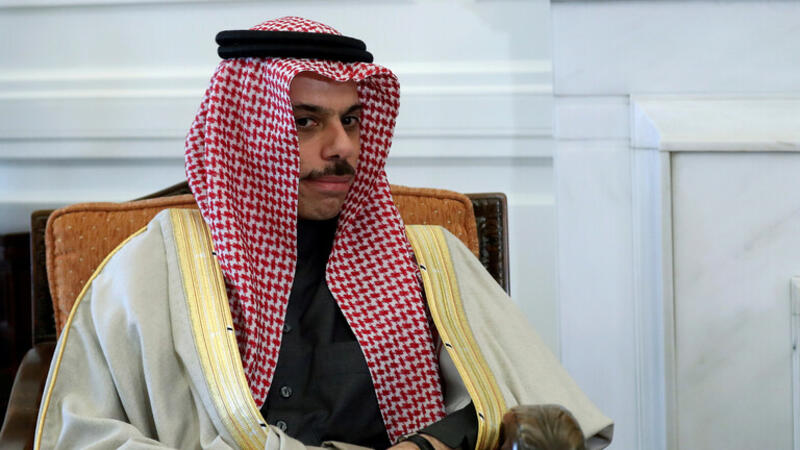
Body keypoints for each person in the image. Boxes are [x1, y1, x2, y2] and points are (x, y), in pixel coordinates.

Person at [33, 17, 613, 450]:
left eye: (351, 120)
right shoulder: (152, 269)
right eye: (305, 122)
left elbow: (521, 402)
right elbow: (80, 435)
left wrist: (428, 445)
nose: (342, 147)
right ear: (247, 134)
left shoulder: (428, 257)